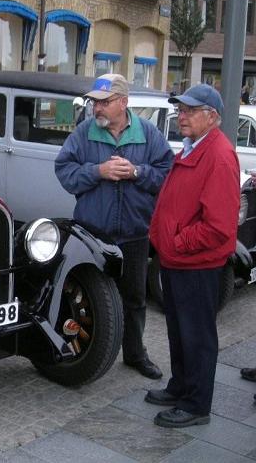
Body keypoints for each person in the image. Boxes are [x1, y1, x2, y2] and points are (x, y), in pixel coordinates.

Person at [55, 74, 174, 380]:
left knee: (134, 298)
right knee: (86, 296)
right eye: (95, 102)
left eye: (105, 103)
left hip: (134, 233)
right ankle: (81, 352)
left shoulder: (148, 133)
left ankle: (135, 354)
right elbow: (64, 172)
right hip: (92, 235)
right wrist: (98, 171)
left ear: (124, 103)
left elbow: (167, 174)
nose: (97, 109)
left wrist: (137, 171)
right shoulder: (83, 133)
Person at [146, 84, 240, 427]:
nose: (181, 117)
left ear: (211, 117)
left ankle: (196, 405)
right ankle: (181, 386)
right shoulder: (193, 147)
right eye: (180, 110)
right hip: (178, 261)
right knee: (179, 331)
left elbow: (219, 226)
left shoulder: (218, 155)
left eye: (189, 111)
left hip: (196, 264)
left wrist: (176, 242)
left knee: (197, 337)